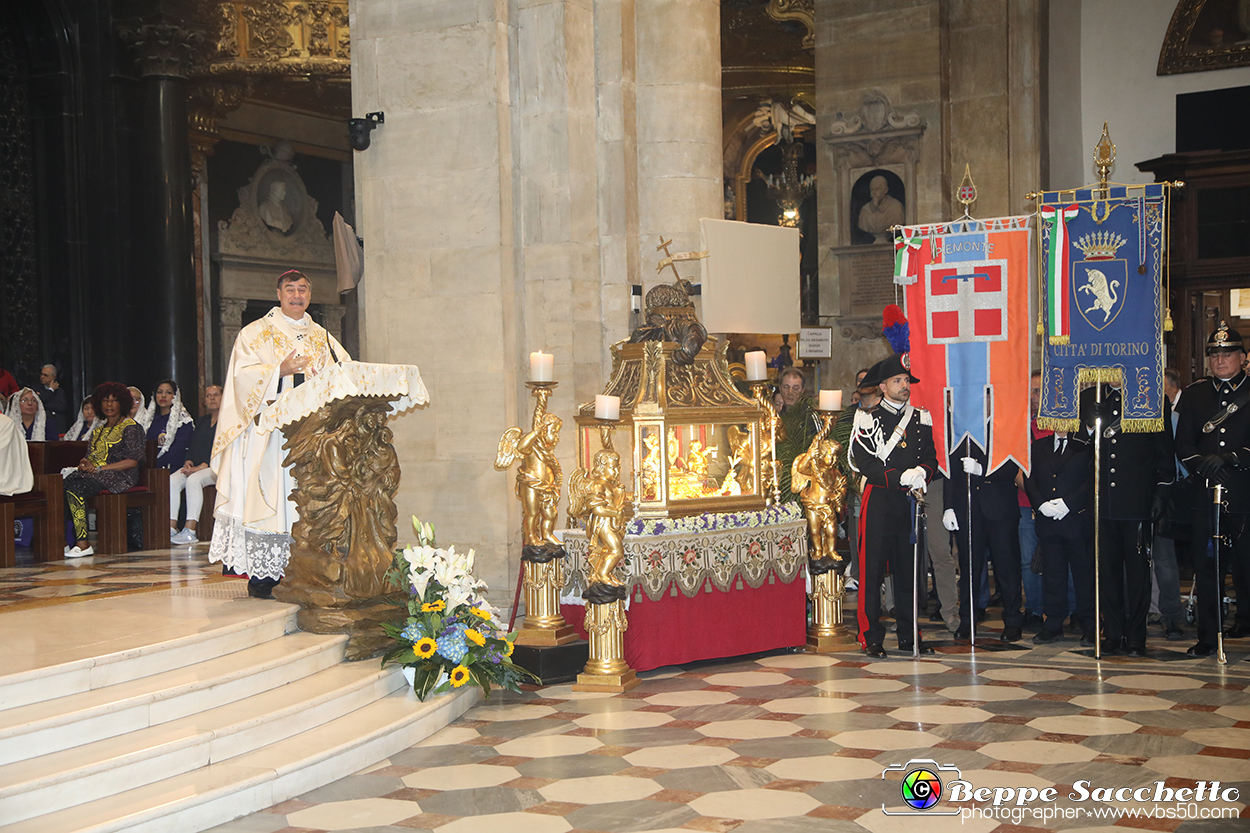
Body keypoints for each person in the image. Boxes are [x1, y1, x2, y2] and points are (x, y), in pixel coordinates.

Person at [210, 270, 348, 598]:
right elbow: (241, 379)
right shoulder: (255, 333)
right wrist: (280, 371)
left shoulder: (323, 337)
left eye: (303, 289)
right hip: (269, 437)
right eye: (291, 289)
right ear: (279, 293)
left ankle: (307, 566)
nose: (297, 295)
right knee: (272, 497)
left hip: (312, 436)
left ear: (310, 295)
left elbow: (345, 373)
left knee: (305, 500)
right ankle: (266, 575)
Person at [849, 353, 937, 657]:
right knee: (871, 570)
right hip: (880, 499)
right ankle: (870, 636)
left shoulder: (921, 417)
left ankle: (909, 634)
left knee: (908, 570)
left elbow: (931, 456)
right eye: (898, 381)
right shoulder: (868, 419)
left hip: (908, 501)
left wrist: (923, 471)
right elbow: (866, 463)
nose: (905, 386)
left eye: (906, 381)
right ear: (883, 387)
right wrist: (902, 476)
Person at [1079, 379, 1175, 657]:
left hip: (1136, 502)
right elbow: (1077, 446)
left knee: (1137, 574)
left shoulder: (1152, 400)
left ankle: (1136, 635)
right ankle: (1112, 632)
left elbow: (1164, 452)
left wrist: (1161, 493)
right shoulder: (1092, 397)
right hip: (1102, 503)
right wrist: (1089, 423)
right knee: (1106, 573)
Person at [1174, 322, 1250, 657]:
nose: (1221, 360)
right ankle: (1208, 635)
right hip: (1205, 493)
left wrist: (1231, 458)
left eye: (1228, 354)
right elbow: (1183, 443)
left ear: (1243, 357)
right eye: (1215, 354)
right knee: (1206, 568)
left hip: (1244, 492)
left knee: (1247, 565)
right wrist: (1201, 464)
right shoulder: (1195, 394)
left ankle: (1246, 624)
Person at [942, 437, 1024, 642]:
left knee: (1007, 568)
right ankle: (967, 621)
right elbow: (950, 469)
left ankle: (1013, 621)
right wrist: (949, 506)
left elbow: (1014, 464)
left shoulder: (1004, 426)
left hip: (1001, 508)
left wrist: (983, 469)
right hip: (968, 508)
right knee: (969, 568)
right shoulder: (961, 429)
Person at [1026, 429, 1096, 645]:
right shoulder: (1039, 446)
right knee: (1053, 575)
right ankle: (1054, 622)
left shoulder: (1085, 444)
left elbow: (1093, 477)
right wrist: (1040, 504)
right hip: (1048, 521)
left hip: (1076, 520)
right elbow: (1030, 477)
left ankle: (1090, 623)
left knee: (1084, 576)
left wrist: (1069, 503)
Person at [62, 382, 146, 558]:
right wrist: (85, 464)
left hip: (121, 476)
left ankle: (83, 543)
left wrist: (100, 468)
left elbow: (132, 461)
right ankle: (64, 541)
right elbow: (90, 458)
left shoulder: (131, 427)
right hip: (97, 475)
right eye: (105, 401)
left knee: (76, 489)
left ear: (122, 403)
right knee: (61, 486)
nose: (109, 405)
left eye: (114, 401)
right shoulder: (98, 431)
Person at [1150, 367, 1187, 641]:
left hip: (1164, 493)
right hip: (1134, 494)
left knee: (1164, 560)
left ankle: (1172, 616)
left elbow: (1176, 460)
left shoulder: (1172, 418)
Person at [1016, 371, 1050, 630]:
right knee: (1029, 560)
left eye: (1037, 391)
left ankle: (1069, 608)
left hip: (1058, 504)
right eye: (1030, 391)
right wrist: (1036, 497)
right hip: (1026, 502)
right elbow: (1015, 467)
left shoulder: (1058, 424)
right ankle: (1034, 608)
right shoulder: (1019, 425)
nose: (1032, 397)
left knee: (1062, 558)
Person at [170, 385, 222, 545]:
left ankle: (190, 530)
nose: (212, 398)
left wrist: (202, 466)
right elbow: (193, 445)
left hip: (218, 467)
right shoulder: (202, 421)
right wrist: (189, 461)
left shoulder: (227, 421)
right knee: (172, 480)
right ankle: (171, 527)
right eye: (208, 396)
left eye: (215, 395)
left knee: (194, 480)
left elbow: (222, 447)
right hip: (197, 466)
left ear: (223, 397)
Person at [144, 380, 195, 470]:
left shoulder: (183, 421)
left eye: (168, 392)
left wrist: (156, 462)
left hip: (173, 467)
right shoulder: (150, 420)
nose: (163, 396)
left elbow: (178, 449)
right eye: (160, 392)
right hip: (149, 467)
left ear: (175, 396)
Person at [857, 175, 904, 240]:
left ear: (886, 190)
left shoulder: (896, 207)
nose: (874, 193)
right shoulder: (865, 211)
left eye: (877, 189)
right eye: (872, 189)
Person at [37, 364, 69, 438]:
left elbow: (62, 407)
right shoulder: (36, 388)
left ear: (53, 377)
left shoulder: (60, 391)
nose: (42, 377)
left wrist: (45, 403)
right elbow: (38, 402)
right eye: (41, 374)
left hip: (58, 426)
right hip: (42, 425)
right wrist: (50, 390)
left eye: (45, 375)